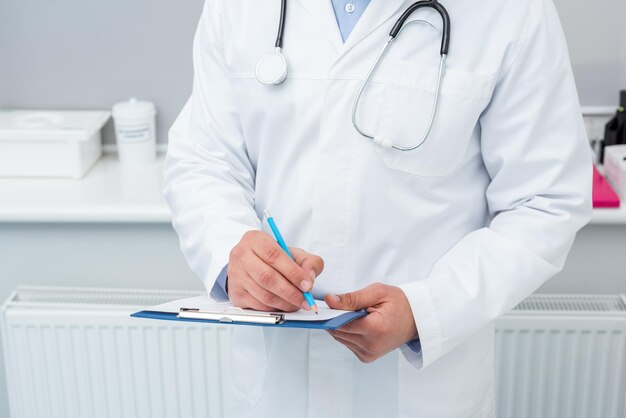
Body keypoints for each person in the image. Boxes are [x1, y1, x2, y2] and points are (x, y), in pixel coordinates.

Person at [164, 1, 592, 416]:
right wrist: (231, 253)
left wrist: (426, 309)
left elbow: (545, 201)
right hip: (278, 382)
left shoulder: (511, 11)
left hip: (423, 392)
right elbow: (204, 161)